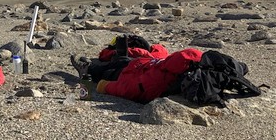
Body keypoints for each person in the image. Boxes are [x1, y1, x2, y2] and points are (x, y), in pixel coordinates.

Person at [71, 34, 202, 103]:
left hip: (125, 75)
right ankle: (119, 57)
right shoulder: (178, 67)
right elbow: (159, 53)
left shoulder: (159, 80)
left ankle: (87, 69)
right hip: (137, 65)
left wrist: (105, 86)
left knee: (105, 72)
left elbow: (129, 89)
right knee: (122, 60)